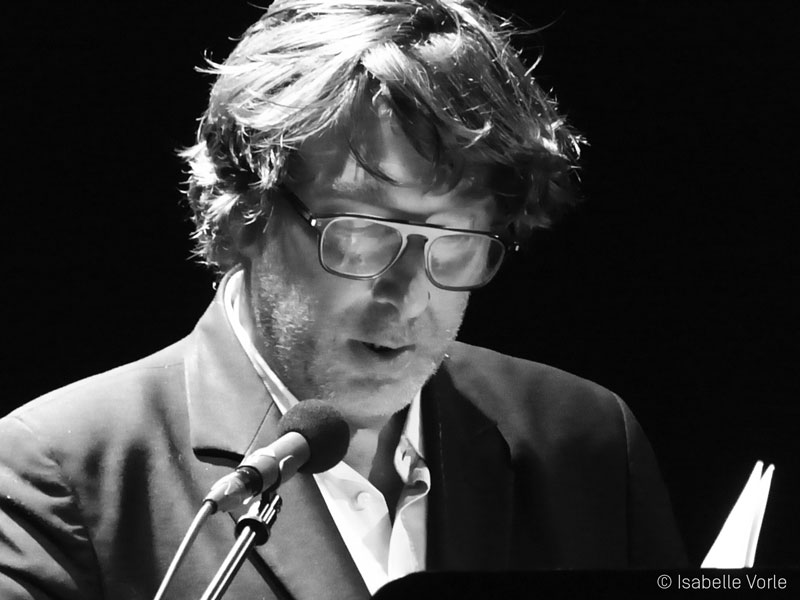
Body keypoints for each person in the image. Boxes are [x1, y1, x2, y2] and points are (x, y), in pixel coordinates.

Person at [0, 1, 686, 598]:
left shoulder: (589, 441)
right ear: (244, 215)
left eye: (455, 240)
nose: (409, 297)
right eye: (362, 234)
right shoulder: (59, 470)